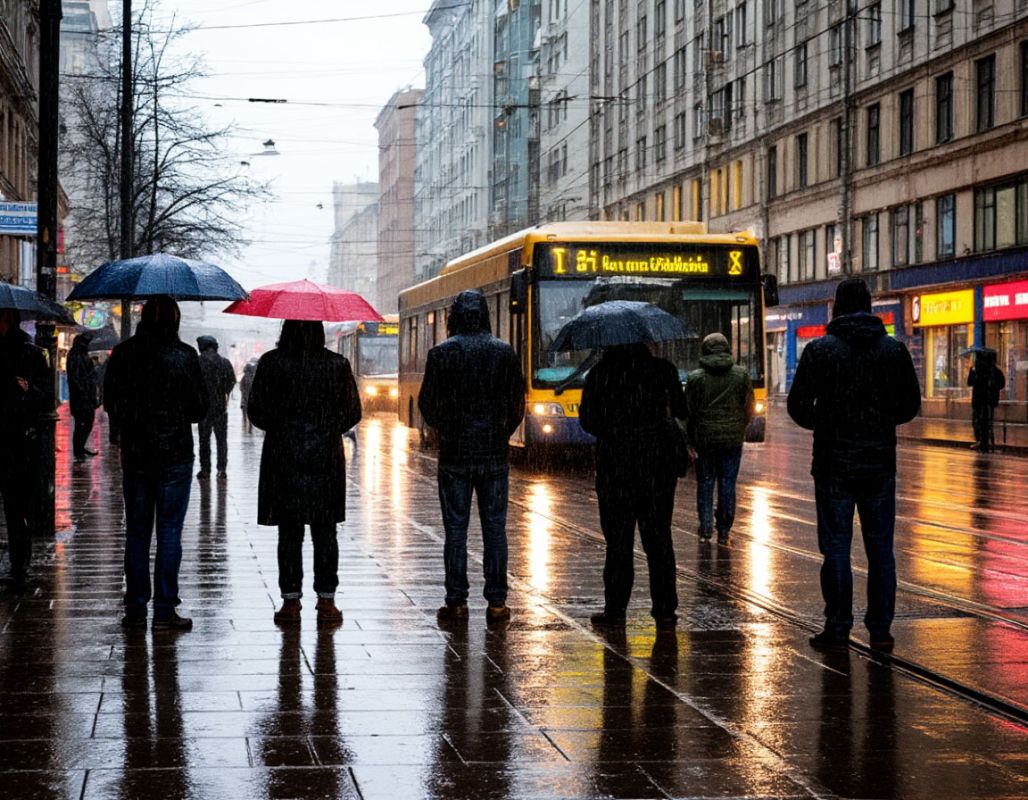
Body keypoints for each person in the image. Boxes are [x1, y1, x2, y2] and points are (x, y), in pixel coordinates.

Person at [787, 277, 921, 653]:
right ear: (870, 305)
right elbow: (910, 405)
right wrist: (879, 422)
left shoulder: (820, 350)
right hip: (878, 463)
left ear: (837, 307)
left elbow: (798, 406)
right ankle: (880, 629)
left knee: (836, 547)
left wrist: (828, 422)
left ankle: (838, 626)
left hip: (833, 463)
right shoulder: (893, 350)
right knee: (880, 548)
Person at [418, 290, 525, 625]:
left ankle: (456, 603)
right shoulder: (504, 352)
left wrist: (449, 431)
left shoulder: (441, 354)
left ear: (455, 317)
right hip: (493, 455)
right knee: (495, 529)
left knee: (455, 529)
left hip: (455, 456)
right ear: (484, 315)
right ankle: (497, 603)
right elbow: (517, 404)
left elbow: (427, 405)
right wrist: (500, 433)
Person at [246, 320, 361, 627]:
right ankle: (326, 601)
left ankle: (290, 601)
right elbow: (353, 412)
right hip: (325, 459)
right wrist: (326, 428)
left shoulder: (272, 362)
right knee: (325, 532)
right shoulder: (336, 365)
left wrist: (282, 426)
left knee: (289, 531)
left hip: (283, 457)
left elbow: (255, 411)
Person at [104, 296, 208, 630]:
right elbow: (199, 409)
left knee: (137, 531)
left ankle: (135, 608)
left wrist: (134, 420)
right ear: (175, 320)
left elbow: (111, 403)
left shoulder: (124, 353)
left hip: (137, 454)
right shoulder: (185, 355)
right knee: (170, 530)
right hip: (175, 453)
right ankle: (164, 609)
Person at [578, 342, 687, 631]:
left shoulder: (600, 373)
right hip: (657, 468)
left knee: (618, 543)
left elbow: (587, 420)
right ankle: (665, 609)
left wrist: (614, 427)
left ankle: (615, 609)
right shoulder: (663, 370)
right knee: (659, 540)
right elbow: (681, 409)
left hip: (616, 468)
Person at [685, 332, 754, 545]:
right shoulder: (741, 375)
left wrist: (690, 440)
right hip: (732, 441)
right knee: (727, 484)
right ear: (727, 349)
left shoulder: (695, 378)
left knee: (705, 483)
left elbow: (688, 412)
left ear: (705, 351)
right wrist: (739, 427)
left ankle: (706, 528)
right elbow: (749, 407)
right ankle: (724, 529)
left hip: (705, 441)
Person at [0, 309, 51, 591]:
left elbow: (46, 399)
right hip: (9, 440)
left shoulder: (31, 354)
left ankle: (19, 566)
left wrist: (28, 389)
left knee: (16, 508)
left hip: (18, 443)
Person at [196, 335, 237, 479]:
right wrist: (223, 392)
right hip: (220, 406)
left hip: (203, 407)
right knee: (221, 439)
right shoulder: (224, 362)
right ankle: (222, 469)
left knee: (204, 440)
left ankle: (205, 469)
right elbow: (232, 381)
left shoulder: (198, 362)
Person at [66, 332, 99, 460]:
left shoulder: (82, 354)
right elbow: (76, 377)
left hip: (86, 395)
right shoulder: (75, 355)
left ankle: (80, 447)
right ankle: (78, 449)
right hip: (81, 397)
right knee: (82, 423)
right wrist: (83, 391)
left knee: (85, 423)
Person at [967, 351, 1005, 452]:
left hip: (983, 400)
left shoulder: (985, 371)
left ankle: (982, 441)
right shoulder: (993, 371)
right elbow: (1001, 384)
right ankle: (983, 441)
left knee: (980, 422)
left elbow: (970, 382)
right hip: (986, 401)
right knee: (983, 422)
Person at [239, 358, 258, 430]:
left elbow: (241, 387)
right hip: (252, 397)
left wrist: (244, 392)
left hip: (245, 396)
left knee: (244, 408)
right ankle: (250, 423)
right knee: (251, 409)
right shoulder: (255, 376)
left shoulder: (244, 377)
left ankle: (245, 421)